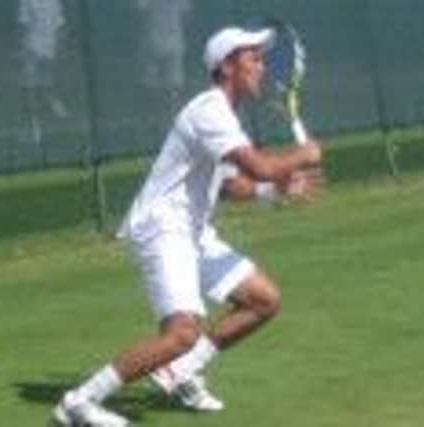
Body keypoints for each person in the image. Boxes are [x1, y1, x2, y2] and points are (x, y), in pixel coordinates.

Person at [53, 26, 323, 427]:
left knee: (263, 300)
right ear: (227, 65)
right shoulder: (209, 111)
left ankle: (180, 372)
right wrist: (303, 155)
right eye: (254, 59)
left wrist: (275, 191)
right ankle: (79, 403)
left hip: (193, 232)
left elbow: (233, 185)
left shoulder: (225, 117)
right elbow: (260, 166)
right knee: (182, 333)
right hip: (163, 229)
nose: (262, 68)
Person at [18, 0, 69, 145]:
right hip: (47, 49)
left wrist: (22, 48)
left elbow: (23, 26)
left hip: (34, 48)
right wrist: (58, 48)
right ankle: (50, 120)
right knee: (43, 88)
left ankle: (37, 129)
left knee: (31, 90)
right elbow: (61, 27)